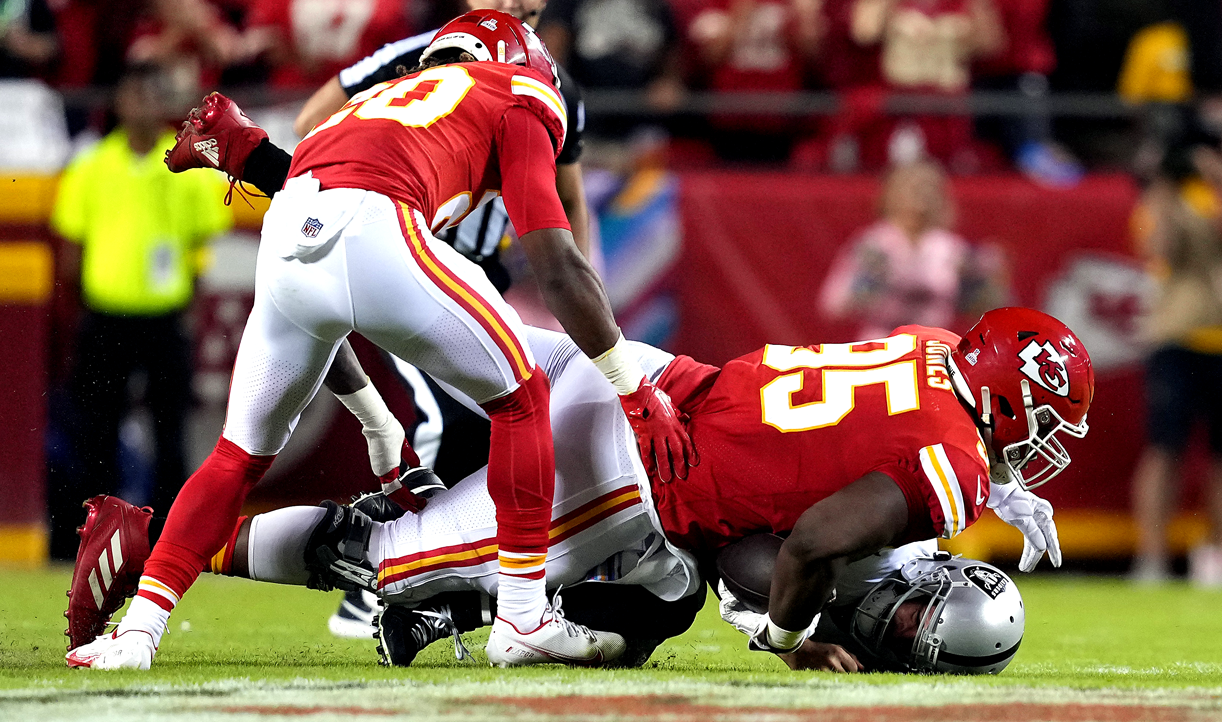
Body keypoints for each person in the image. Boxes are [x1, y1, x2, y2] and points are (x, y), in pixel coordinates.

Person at [65, 10, 693, 671]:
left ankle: (136, 635)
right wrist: (633, 387)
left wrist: (373, 419)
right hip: (380, 228)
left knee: (237, 455)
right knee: (523, 396)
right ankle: (523, 616)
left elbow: (329, 273)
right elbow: (556, 260)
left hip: (293, 228)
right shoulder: (520, 91)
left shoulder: (366, 106)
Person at [68, 306, 1090, 668]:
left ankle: (443, 591)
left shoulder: (927, 348)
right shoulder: (952, 454)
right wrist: (783, 637)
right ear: (1006, 396)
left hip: (643, 373)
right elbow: (812, 539)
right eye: (1042, 422)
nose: (1042, 446)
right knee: (385, 557)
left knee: (660, 598)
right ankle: (144, 540)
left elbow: (790, 503)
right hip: (633, 456)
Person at [50, 63, 232, 538]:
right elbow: (70, 252)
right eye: (134, 96)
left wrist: (187, 303)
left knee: (169, 432)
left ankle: (172, 537)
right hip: (105, 316)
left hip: (163, 318)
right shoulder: (91, 168)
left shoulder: (184, 168)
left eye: (151, 96)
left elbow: (200, 247)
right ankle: (88, 536)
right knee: (96, 434)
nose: (143, 106)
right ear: (119, 104)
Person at [820, 159, 1008, 339]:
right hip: (882, 345)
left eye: (928, 189)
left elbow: (992, 308)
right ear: (891, 194)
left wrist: (986, 279)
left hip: (933, 349)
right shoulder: (874, 244)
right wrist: (868, 283)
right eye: (912, 188)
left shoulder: (950, 248)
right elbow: (833, 304)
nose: (921, 196)